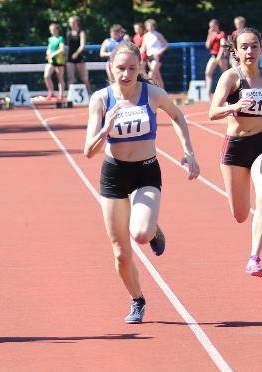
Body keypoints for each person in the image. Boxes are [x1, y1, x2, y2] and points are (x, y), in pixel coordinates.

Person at [82, 43, 199, 324]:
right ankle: (138, 300)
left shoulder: (152, 94)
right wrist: (105, 130)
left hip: (146, 171)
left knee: (141, 234)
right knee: (121, 254)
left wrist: (189, 152)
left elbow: (178, 116)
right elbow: (88, 151)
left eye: (132, 68)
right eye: (120, 68)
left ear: (140, 68)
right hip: (114, 175)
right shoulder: (100, 99)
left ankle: (152, 227)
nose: (126, 74)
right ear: (111, 68)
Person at [208, 27, 262, 278]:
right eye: (244, 47)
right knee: (240, 214)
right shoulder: (229, 78)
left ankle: (254, 258)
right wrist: (234, 106)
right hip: (235, 149)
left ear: (261, 48)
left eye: (254, 46)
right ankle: (243, 195)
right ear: (235, 51)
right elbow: (212, 112)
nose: (250, 51)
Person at [66, 16, 91, 91]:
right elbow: (67, 46)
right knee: (71, 78)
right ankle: (70, 95)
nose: (71, 24)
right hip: (70, 57)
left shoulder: (81, 32)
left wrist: (76, 54)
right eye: (70, 22)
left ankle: (89, 93)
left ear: (77, 22)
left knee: (84, 78)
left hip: (79, 56)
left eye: (73, 22)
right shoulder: (68, 32)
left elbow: (82, 45)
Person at [204, 19, 229, 95]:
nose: (211, 28)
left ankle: (227, 91)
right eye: (210, 27)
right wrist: (209, 34)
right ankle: (208, 92)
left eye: (212, 26)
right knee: (208, 72)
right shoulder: (212, 34)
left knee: (225, 74)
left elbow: (223, 46)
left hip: (221, 57)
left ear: (216, 25)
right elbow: (207, 46)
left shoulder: (222, 33)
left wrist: (219, 57)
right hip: (213, 56)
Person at [45, 22, 68, 100]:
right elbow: (49, 48)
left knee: (60, 78)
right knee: (46, 76)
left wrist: (53, 54)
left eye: (54, 29)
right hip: (51, 61)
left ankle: (61, 94)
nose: (53, 31)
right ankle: (51, 92)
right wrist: (48, 54)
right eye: (51, 30)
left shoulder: (60, 38)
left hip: (59, 60)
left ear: (58, 30)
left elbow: (61, 49)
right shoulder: (50, 39)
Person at [142, 19, 168, 85]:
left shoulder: (158, 35)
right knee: (157, 76)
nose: (150, 27)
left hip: (157, 56)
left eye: (151, 26)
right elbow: (143, 48)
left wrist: (159, 52)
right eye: (148, 26)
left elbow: (166, 45)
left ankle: (150, 91)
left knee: (151, 74)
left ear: (154, 26)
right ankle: (163, 92)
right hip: (149, 56)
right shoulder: (145, 36)